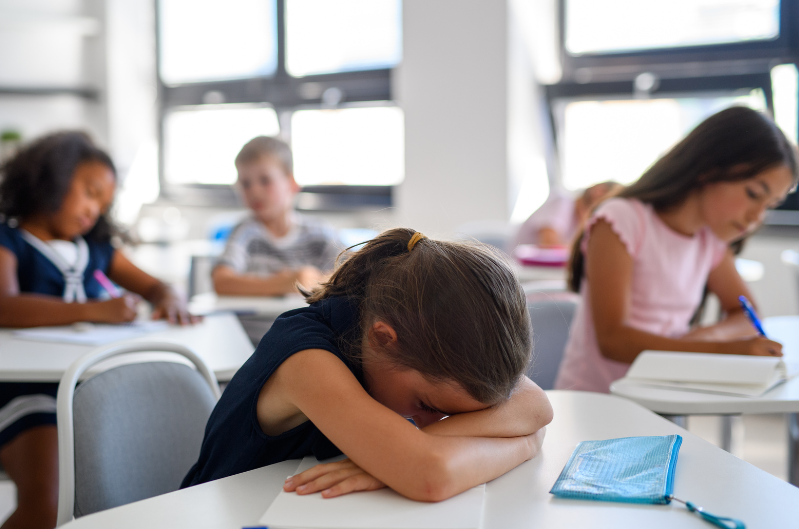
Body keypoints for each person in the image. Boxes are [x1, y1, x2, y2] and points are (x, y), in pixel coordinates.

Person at [182, 228, 553, 502]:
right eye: (426, 405)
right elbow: (430, 477)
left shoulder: (399, 334)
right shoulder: (306, 360)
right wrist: (525, 443)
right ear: (383, 338)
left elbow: (536, 406)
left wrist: (406, 454)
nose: (438, 423)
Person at [0, 131, 195, 529]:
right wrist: (97, 310)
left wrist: (171, 297)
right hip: (25, 397)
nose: (94, 211)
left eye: (103, 204)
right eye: (90, 193)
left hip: (94, 396)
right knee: (49, 504)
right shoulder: (2, 239)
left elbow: (157, 287)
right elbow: (3, 307)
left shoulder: (97, 248)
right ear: (52, 178)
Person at [555, 106, 798, 393]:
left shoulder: (709, 239)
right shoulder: (623, 219)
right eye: (753, 194)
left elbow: (746, 313)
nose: (757, 216)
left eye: (769, 205)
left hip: (665, 396)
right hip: (598, 400)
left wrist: (704, 337)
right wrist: (722, 349)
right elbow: (613, 341)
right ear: (710, 168)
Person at [212, 136, 342, 297]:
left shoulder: (320, 233)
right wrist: (284, 283)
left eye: (265, 180)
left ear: (291, 184)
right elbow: (221, 281)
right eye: (245, 184)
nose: (254, 191)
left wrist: (314, 281)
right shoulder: (245, 232)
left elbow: (355, 276)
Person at [512, 182, 620, 249]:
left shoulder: (580, 221)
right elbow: (548, 244)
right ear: (599, 192)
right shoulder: (563, 201)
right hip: (517, 274)